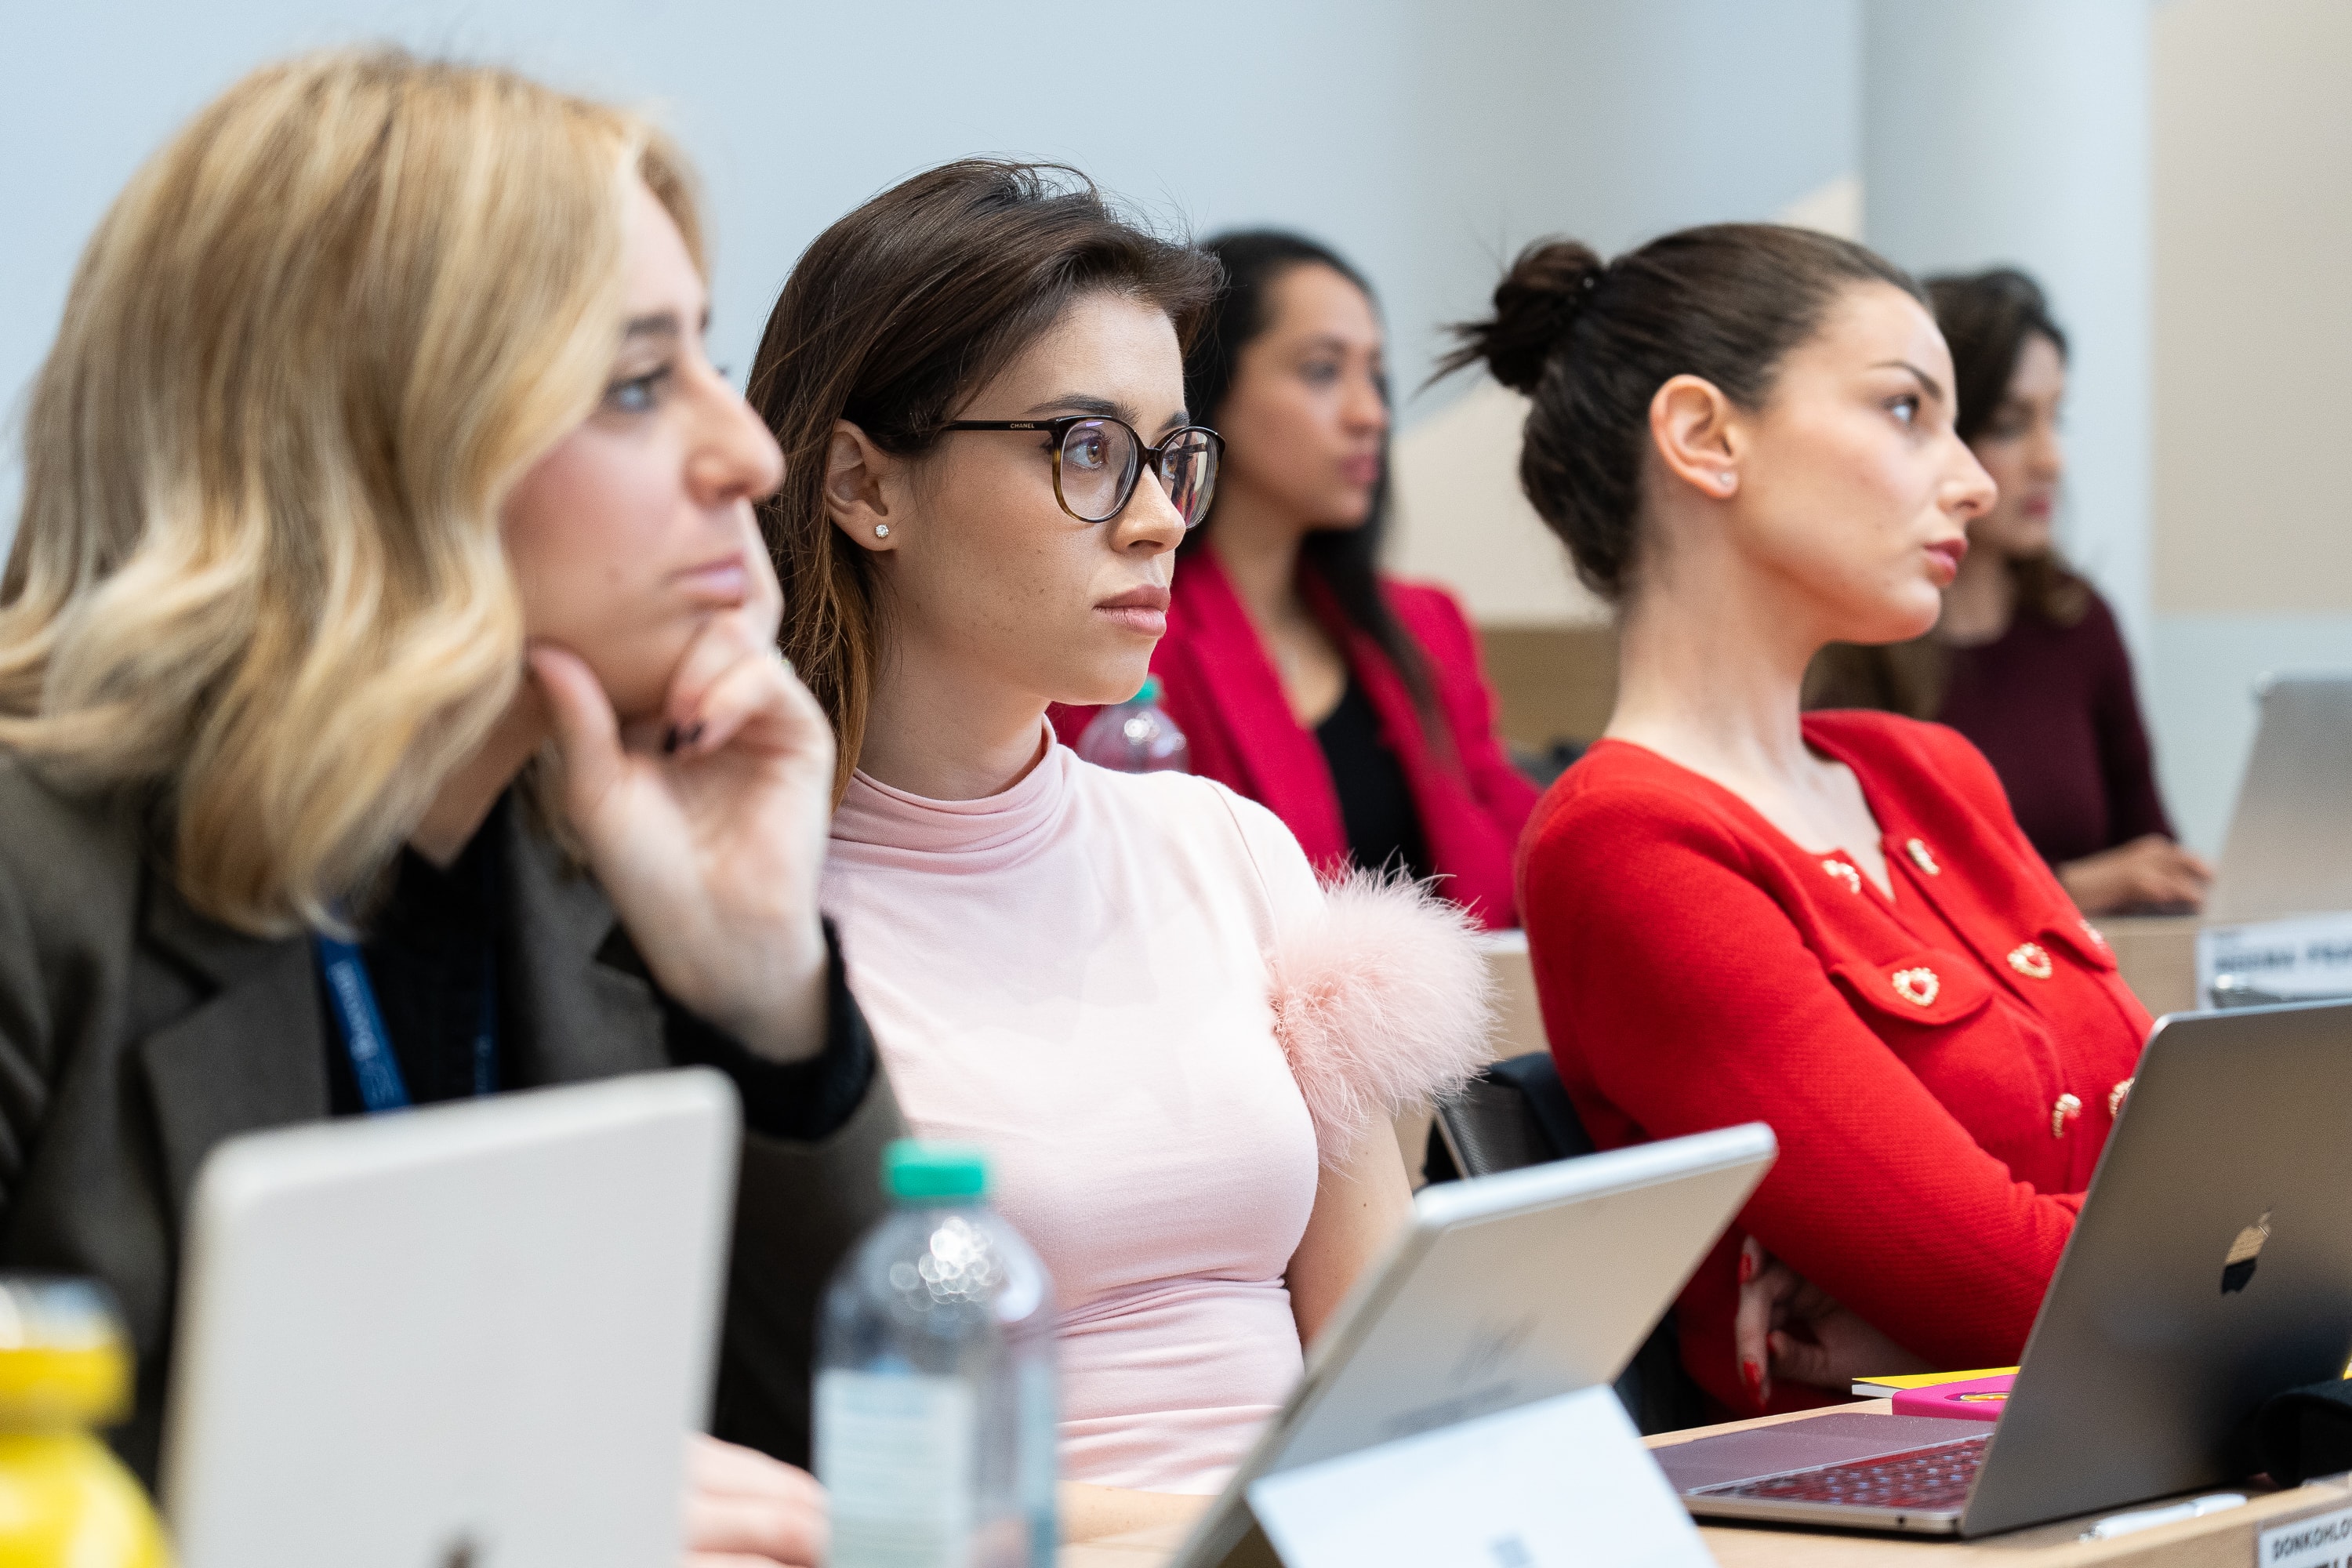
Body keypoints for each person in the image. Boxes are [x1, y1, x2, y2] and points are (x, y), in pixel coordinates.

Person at [0, 51, 898, 1567]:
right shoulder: (36, 879)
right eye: (634, 384)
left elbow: (884, 1459)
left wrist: (766, 1001)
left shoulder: (588, 856)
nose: (750, 454)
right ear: (362, 447)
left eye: (709, 364)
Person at [749, 163, 1490, 1537]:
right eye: (1086, 450)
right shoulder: (744, 924)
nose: (1155, 516)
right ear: (864, 485)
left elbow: (1380, 1371)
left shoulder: (1223, 846)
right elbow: (815, 1467)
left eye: (1172, 457)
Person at [1448, 226, 2154, 1418]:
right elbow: (2032, 1285)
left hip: (2110, 1446)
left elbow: (2197, 1198)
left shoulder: (1925, 770)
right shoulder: (1631, 843)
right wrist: (2092, 1258)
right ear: (1705, 438)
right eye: (1904, 411)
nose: (1974, 480)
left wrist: (1995, 1284)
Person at [1051, 232, 1537, 928]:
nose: (1370, 414)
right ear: (1207, 388)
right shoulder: (1129, 631)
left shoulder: (1424, 623)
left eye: (1376, 376)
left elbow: (1513, 837)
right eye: (1321, 371)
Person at [1807, 269, 2208, 914]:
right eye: (2011, 424)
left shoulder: (2080, 621)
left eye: (2056, 419)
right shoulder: (1848, 642)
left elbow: (2152, 855)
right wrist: (2079, 887)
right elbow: (1862, 900)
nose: (2051, 460)